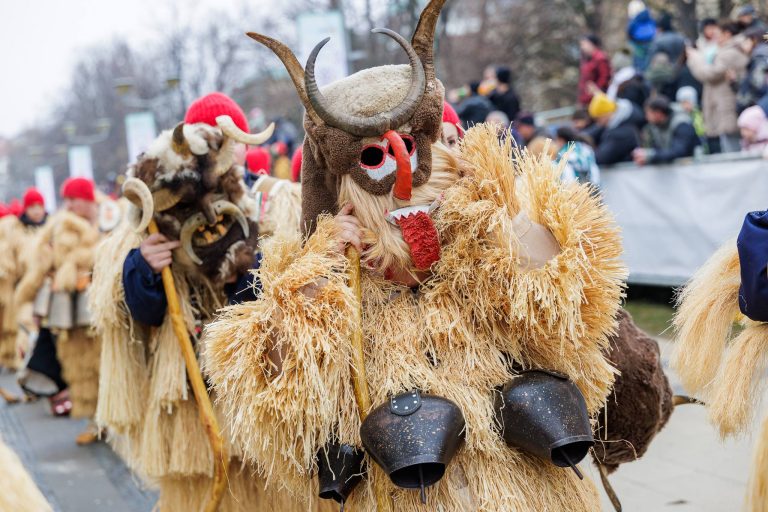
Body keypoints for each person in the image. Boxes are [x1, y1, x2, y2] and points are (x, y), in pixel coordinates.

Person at [202, 3, 658, 510]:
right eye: (373, 158)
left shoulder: (479, 234)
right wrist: (321, 264)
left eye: (413, 149)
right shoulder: (333, 274)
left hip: (521, 481)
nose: (401, 175)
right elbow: (278, 391)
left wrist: (502, 215)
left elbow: (561, 302)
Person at [91, 93, 310, 510]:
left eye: (231, 139)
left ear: (246, 143)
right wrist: (143, 269)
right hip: (195, 395)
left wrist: (251, 272)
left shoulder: (282, 202)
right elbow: (139, 316)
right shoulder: (160, 210)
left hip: (268, 385)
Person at [15, 178, 101, 446]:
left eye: (74, 198)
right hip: (70, 311)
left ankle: (111, 417)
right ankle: (93, 419)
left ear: (87, 198)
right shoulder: (59, 226)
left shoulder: (109, 218)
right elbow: (38, 263)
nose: (70, 205)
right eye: (67, 199)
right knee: (79, 366)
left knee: (108, 365)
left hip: (104, 306)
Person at [687, 20, 749, 153]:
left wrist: (694, 59)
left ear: (727, 34)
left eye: (718, 34)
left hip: (728, 108)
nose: (716, 38)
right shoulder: (732, 50)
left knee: (732, 149)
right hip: (726, 106)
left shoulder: (729, 53)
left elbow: (709, 74)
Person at [633, 95, 699, 165]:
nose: (646, 117)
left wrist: (650, 155)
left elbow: (678, 151)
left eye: (648, 113)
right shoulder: (655, 126)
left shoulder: (682, 123)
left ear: (658, 113)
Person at [588, 93, 642, 165]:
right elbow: (592, 132)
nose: (598, 123)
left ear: (606, 114)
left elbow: (601, 158)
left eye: (598, 119)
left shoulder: (622, 133)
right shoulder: (616, 122)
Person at [737, 26, 768, 113]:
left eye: (746, 40)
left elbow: (758, 85)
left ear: (754, 40)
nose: (743, 45)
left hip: (758, 108)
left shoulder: (759, 58)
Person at [578, 34, 612, 105]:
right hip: (587, 98)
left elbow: (605, 77)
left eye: (584, 44)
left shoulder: (600, 58)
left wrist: (596, 90)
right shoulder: (587, 59)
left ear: (591, 44)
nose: (582, 47)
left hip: (597, 99)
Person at [627, 0, 657, 71]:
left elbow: (629, 31)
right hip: (650, 42)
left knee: (639, 65)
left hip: (638, 44)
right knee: (649, 62)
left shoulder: (633, 20)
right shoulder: (649, 17)